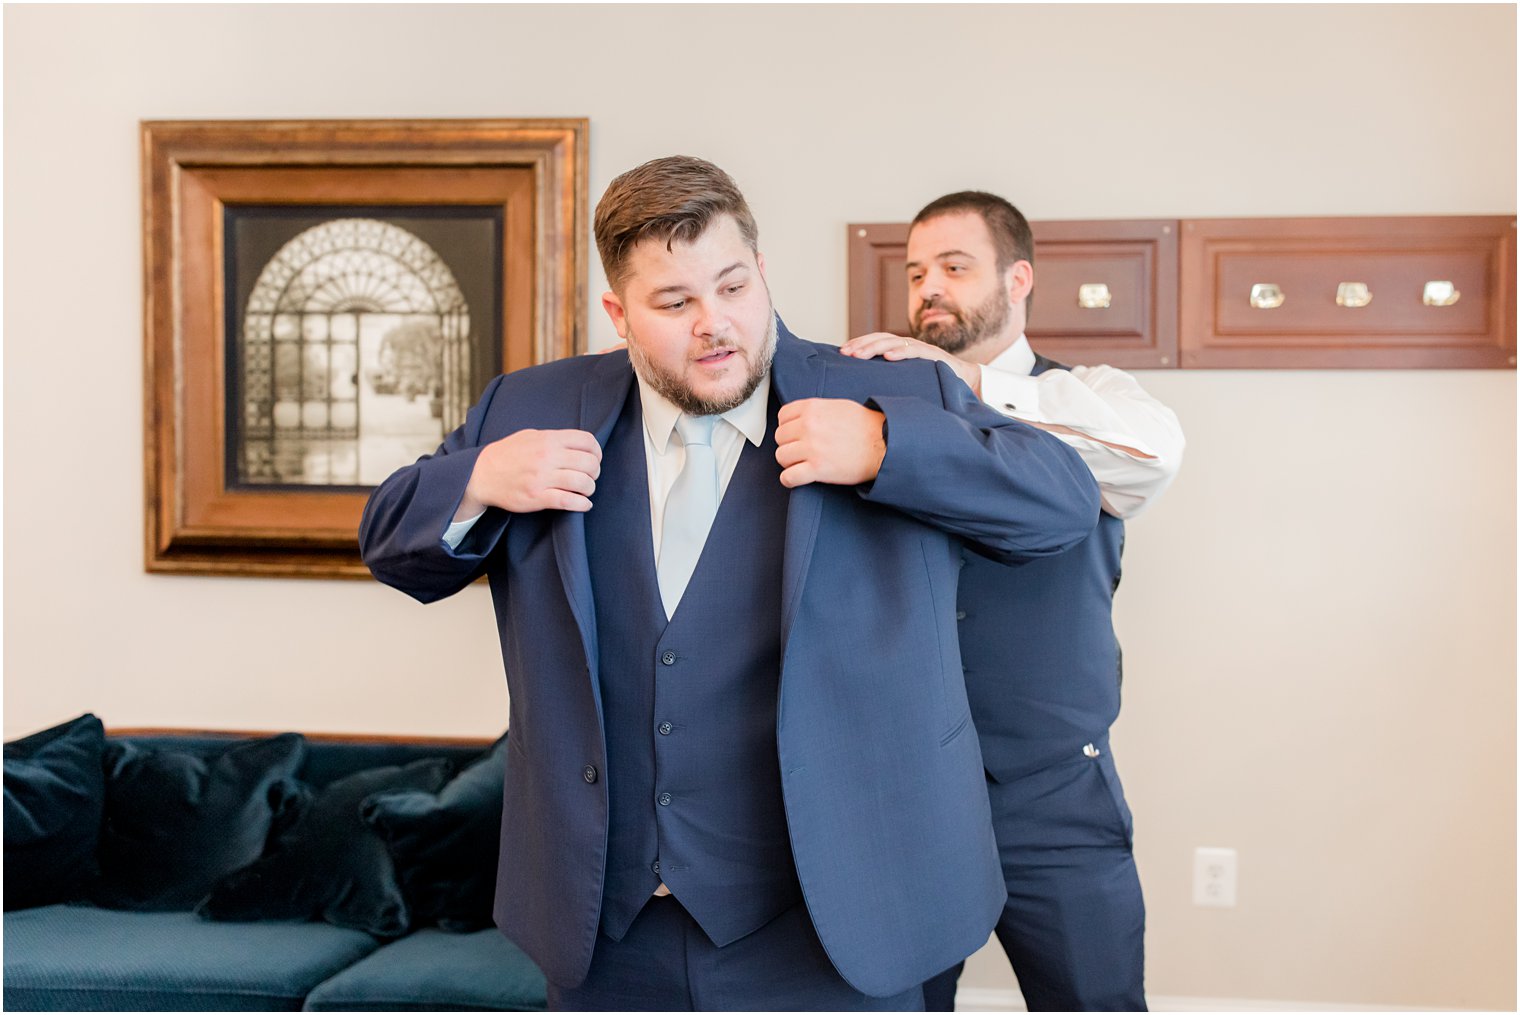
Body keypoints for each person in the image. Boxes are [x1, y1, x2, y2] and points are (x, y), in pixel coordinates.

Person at [360, 158, 1102, 1012]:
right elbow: (389, 539)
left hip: (838, 928)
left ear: (761, 273)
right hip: (606, 932)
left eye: (734, 286)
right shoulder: (534, 405)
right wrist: (481, 477)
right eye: (674, 303)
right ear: (620, 314)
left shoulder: (889, 388)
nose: (715, 324)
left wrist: (887, 450)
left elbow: (1061, 505)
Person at [841, 191, 1185, 1012]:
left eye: (955, 268)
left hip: (1056, 793)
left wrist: (969, 382)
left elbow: (1150, 460)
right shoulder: (875, 414)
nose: (929, 288)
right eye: (918, 271)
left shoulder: (1091, 400)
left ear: (1018, 278)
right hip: (907, 791)